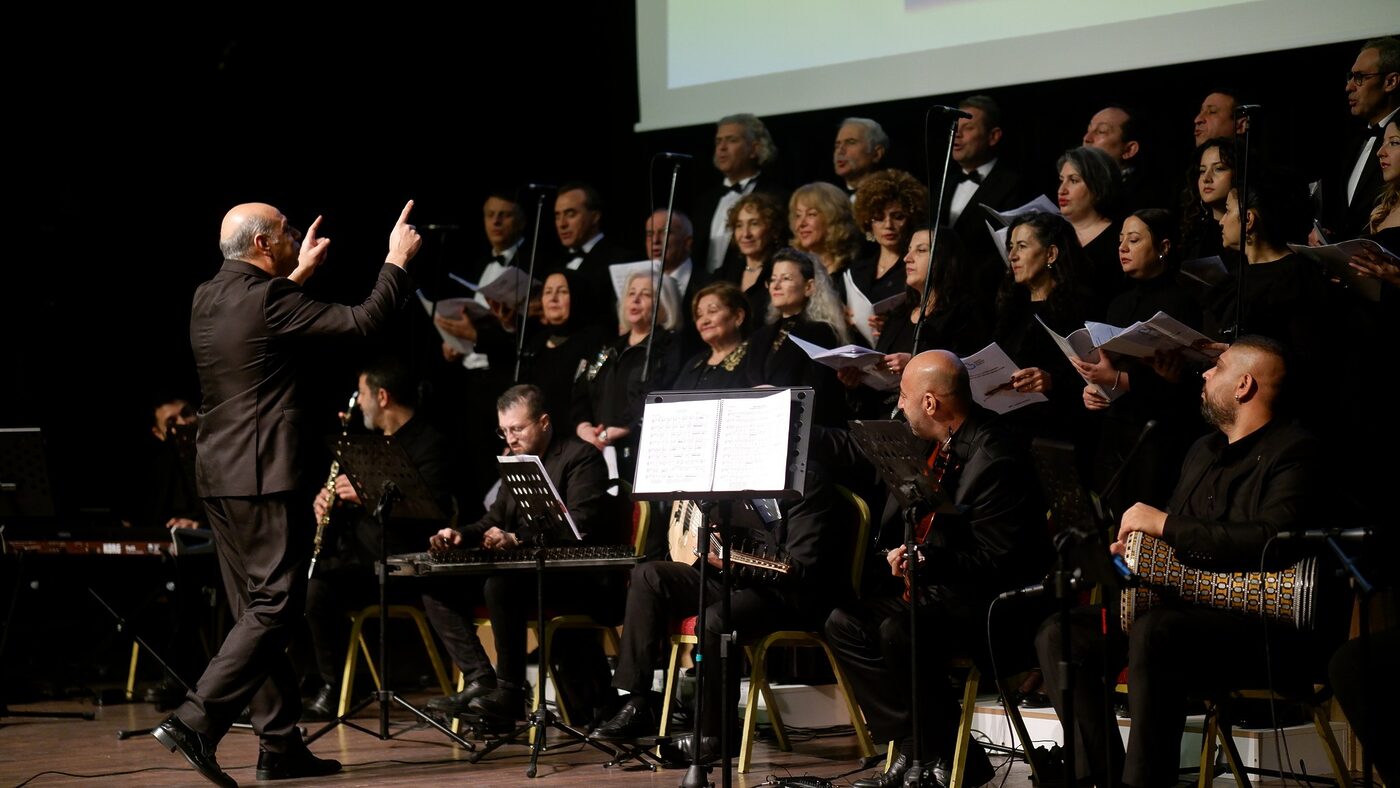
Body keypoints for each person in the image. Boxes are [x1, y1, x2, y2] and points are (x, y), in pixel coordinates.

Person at [152, 201, 420, 786]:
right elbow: (362, 324)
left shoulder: (207, 295)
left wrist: (299, 274)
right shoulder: (270, 301)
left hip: (218, 476)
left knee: (255, 611)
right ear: (265, 246)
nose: (296, 235)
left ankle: (278, 746)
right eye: (287, 231)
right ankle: (196, 720)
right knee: (276, 606)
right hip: (263, 475)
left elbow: (259, 317)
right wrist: (396, 261)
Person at [1035, 335, 1333, 788]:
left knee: (1158, 632)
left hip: (1258, 628)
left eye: (1219, 368)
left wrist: (1165, 524)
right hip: (1179, 612)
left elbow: (1272, 540)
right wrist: (1127, 556)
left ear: (1244, 386)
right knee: (1062, 634)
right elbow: (1169, 548)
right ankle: (1099, 778)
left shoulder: (1295, 451)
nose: (1205, 373)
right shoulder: (1202, 450)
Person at [831, 350, 1051, 788]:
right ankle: (930, 747)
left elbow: (998, 562)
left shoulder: (995, 455)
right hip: (943, 591)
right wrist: (906, 552)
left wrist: (927, 561)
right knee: (845, 623)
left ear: (930, 403)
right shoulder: (935, 444)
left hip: (994, 605)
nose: (898, 405)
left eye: (904, 395)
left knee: (900, 629)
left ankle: (929, 755)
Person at [590, 466, 852, 765]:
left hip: (788, 595)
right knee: (648, 575)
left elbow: (798, 568)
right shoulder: (735, 477)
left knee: (715, 619)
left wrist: (728, 562)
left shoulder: (808, 483)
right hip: (737, 579)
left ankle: (716, 735)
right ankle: (638, 699)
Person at [421, 384, 625, 727]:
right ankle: (480, 679)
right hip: (527, 575)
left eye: (517, 428)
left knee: (500, 586)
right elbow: (494, 518)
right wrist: (460, 535)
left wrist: (515, 537)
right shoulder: (516, 462)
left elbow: (578, 524)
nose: (510, 438)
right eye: (504, 430)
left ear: (544, 422)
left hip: (577, 579)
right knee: (436, 586)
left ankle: (511, 692)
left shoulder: (581, 457)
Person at [302, 359, 454, 719]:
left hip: (405, 563)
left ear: (382, 396)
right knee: (297, 581)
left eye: (364, 394)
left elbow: (429, 510)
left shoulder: (430, 444)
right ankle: (312, 679)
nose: (360, 403)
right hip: (359, 560)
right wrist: (327, 504)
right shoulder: (367, 446)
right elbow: (352, 510)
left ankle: (337, 686)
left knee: (318, 589)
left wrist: (367, 494)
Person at [1074, 209, 1206, 516]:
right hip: (1115, 433)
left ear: (1164, 247)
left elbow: (1180, 384)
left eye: (1133, 240)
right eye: (1120, 240)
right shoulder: (1119, 302)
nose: (1122, 248)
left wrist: (1116, 379)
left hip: (1157, 440)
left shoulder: (1181, 302)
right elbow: (1109, 371)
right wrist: (1096, 390)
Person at [571, 271, 682, 482]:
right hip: (597, 451)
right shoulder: (610, 347)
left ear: (664, 303)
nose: (635, 299)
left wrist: (623, 427)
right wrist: (584, 427)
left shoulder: (668, 346)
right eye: (631, 293)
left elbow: (661, 391)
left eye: (646, 294)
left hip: (641, 452)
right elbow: (581, 391)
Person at [744, 247, 850, 426]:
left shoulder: (821, 332)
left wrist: (777, 396)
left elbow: (819, 392)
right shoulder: (759, 336)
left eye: (786, 279)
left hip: (799, 430)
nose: (776, 286)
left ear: (809, 287)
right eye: (773, 279)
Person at [1314, 36, 1399, 243]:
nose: (1349, 87)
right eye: (1350, 77)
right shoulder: (1351, 143)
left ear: (1391, 82)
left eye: (1360, 77)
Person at [691, 113, 787, 274]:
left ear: (755, 149)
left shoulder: (777, 197)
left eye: (732, 140)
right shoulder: (704, 202)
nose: (722, 147)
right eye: (718, 141)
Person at [942, 95, 1029, 268]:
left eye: (968, 128)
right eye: (956, 127)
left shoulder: (1014, 184)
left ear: (993, 136)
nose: (957, 134)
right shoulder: (943, 184)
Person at [518, 269, 608, 431]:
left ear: (577, 296)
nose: (553, 298)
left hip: (576, 434)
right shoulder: (535, 344)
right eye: (548, 292)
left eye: (562, 291)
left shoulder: (595, 339)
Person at [555, 182, 638, 329]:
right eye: (557, 216)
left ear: (595, 216)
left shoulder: (620, 260)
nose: (562, 224)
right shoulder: (554, 264)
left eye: (570, 214)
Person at [850, 168, 926, 316]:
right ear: (868, 222)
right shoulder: (854, 272)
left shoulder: (917, 270)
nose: (888, 225)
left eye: (898, 217)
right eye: (878, 217)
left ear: (911, 219)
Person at [1056, 146, 1124, 309]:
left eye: (1073, 180)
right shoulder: (1053, 233)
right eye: (1061, 180)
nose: (1061, 190)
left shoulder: (1119, 238)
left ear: (1098, 186)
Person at [716, 191, 787, 324]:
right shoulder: (723, 275)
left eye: (754, 223)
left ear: (774, 230)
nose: (745, 233)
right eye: (739, 225)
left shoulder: (782, 273)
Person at [645, 208, 708, 357]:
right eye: (650, 234)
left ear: (687, 242)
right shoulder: (639, 283)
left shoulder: (707, 284)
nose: (656, 241)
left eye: (666, 232)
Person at [674, 280, 750, 390]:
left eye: (712, 311)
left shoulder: (752, 360)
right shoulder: (693, 364)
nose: (704, 321)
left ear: (738, 316)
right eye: (699, 315)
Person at [789, 181, 864, 284]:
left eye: (811, 214)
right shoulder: (794, 274)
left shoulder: (855, 273)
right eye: (798, 215)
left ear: (833, 218)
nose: (801, 223)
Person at [1177, 137, 1236, 264]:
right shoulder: (1193, 232)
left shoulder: (1248, 234)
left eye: (1219, 168)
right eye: (1202, 171)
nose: (1206, 178)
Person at [834, 117, 889, 199]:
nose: (840, 151)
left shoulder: (892, 197)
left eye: (851, 142)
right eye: (837, 145)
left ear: (876, 154)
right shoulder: (830, 200)